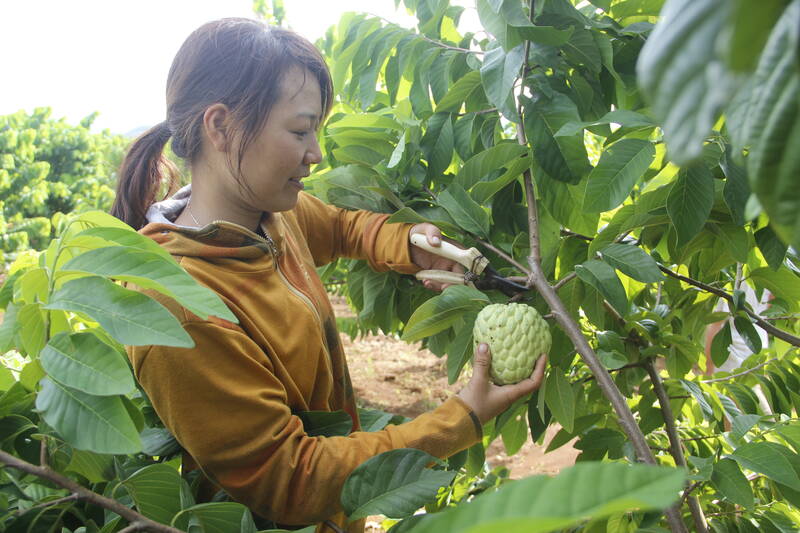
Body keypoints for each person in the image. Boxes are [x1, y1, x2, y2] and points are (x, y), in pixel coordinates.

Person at [110, 18, 546, 533]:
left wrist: (410, 244)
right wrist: (461, 418)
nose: (315, 152)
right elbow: (289, 479)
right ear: (221, 127)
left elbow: (341, 227)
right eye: (299, 130)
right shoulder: (178, 311)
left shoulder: (270, 215)